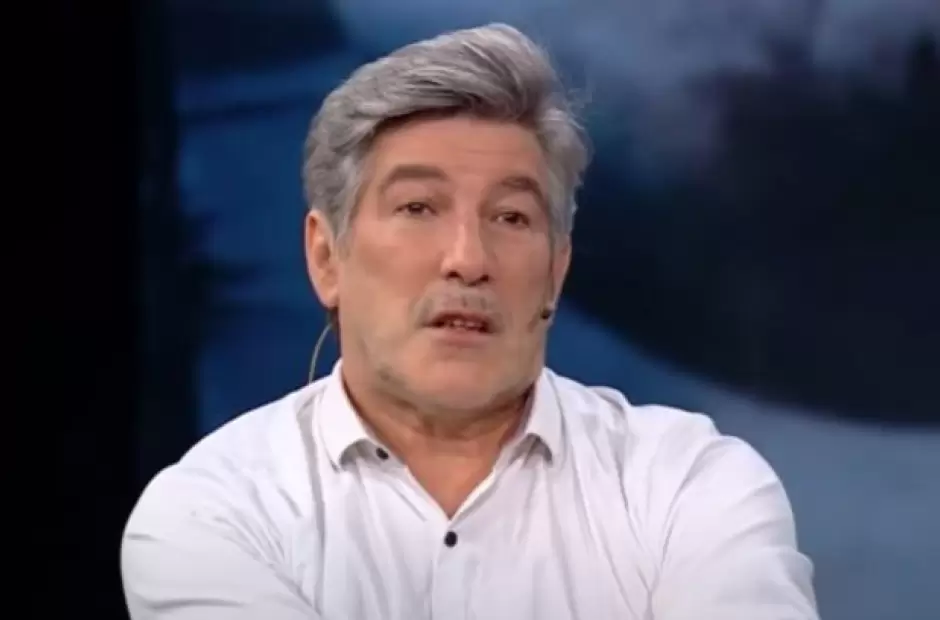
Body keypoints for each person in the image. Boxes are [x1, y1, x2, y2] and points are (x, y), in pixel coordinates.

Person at [121, 23, 819, 620]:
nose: (468, 260)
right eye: (418, 208)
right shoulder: (216, 508)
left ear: (556, 271)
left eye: (511, 217)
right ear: (327, 257)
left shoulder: (689, 482)